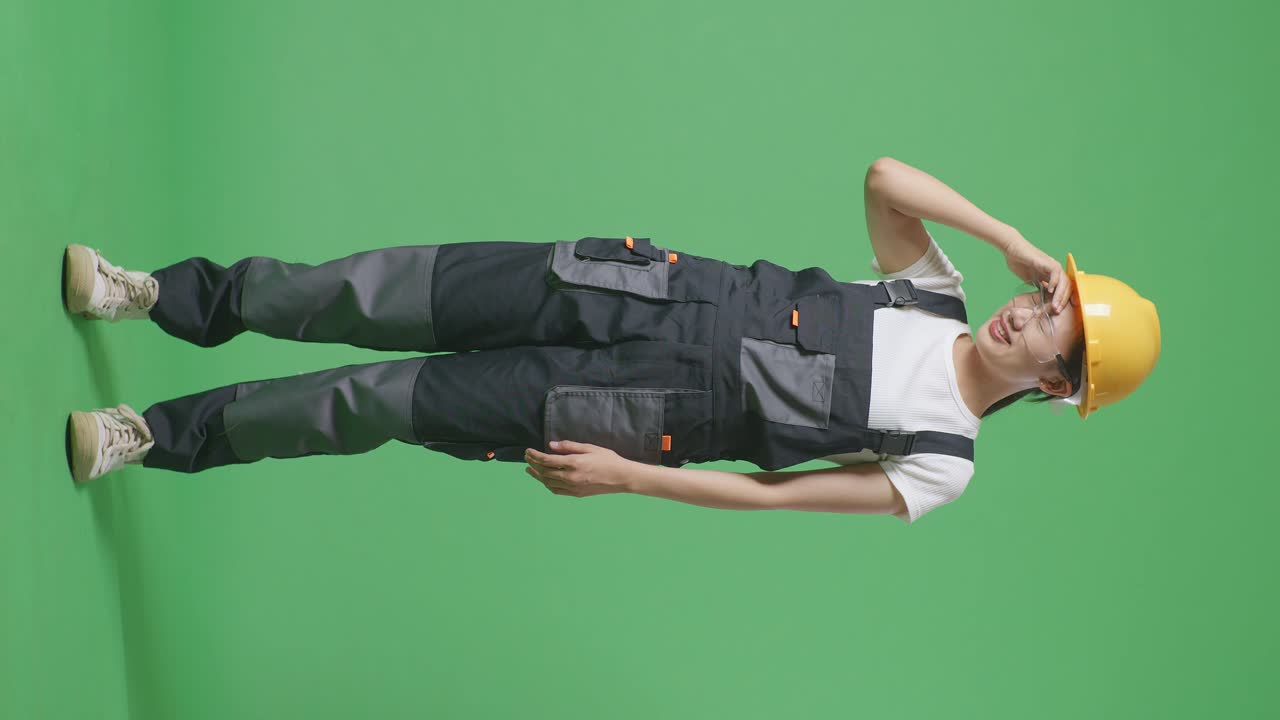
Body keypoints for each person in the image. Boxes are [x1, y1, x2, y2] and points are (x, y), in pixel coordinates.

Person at [61, 157, 1160, 524]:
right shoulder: (932, 290)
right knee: (366, 291)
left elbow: (778, 498)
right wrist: (1012, 237)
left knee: (376, 402)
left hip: (622, 418)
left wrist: (630, 479)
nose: (1030, 308)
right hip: (608, 287)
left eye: (1051, 321)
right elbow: (883, 179)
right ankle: (157, 296)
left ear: (1059, 381)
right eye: (1047, 291)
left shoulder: (940, 462)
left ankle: (151, 437)